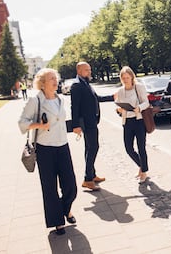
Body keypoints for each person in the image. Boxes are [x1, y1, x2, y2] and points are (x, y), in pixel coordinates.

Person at [18, 68, 77, 235]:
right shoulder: (35, 101)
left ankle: (65, 209)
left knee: (70, 186)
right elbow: (22, 123)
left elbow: (61, 122)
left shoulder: (61, 99)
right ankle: (58, 221)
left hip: (63, 146)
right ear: (42, 83)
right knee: (50, 188)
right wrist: (40, 126)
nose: (55, 81)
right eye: (51, 78)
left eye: (55, 78)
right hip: (45, 150)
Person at [70, 61, 115, 191]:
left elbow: (96, 98)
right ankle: (87, 179)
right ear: (79, 71)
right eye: (86, 70)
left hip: (92, 121)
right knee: (93, 147)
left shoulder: (85, 83)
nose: (89, 72)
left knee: (89, 148)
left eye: (89, 70)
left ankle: (92, 175)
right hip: (86, 122)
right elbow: (74, 107)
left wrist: (112, 97)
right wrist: (76, 125)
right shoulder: (77, 85)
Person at [115, 66, 150, 183]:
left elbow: (146, 102)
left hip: (139, 120)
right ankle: (142, 166)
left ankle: (143, 172)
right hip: (127, 122)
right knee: (128, 148)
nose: (125, 80)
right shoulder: (120, 91)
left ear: (132, 77)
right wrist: (119, 110)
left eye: (127, 77)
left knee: (141, 148)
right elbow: (119, 106)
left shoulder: (138, 87)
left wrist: (139, 108)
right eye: (123, 78)